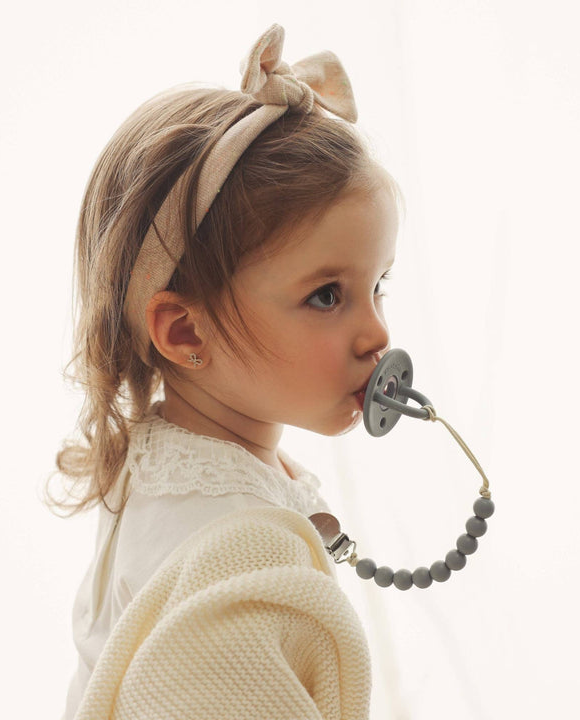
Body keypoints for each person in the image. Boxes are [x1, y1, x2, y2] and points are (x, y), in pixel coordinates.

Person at [48, 22, 404, 720]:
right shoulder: (240, 547)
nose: (378, 334)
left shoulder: (165, 464)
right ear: (186, 331)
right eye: (326, 296)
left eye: (379, 284)